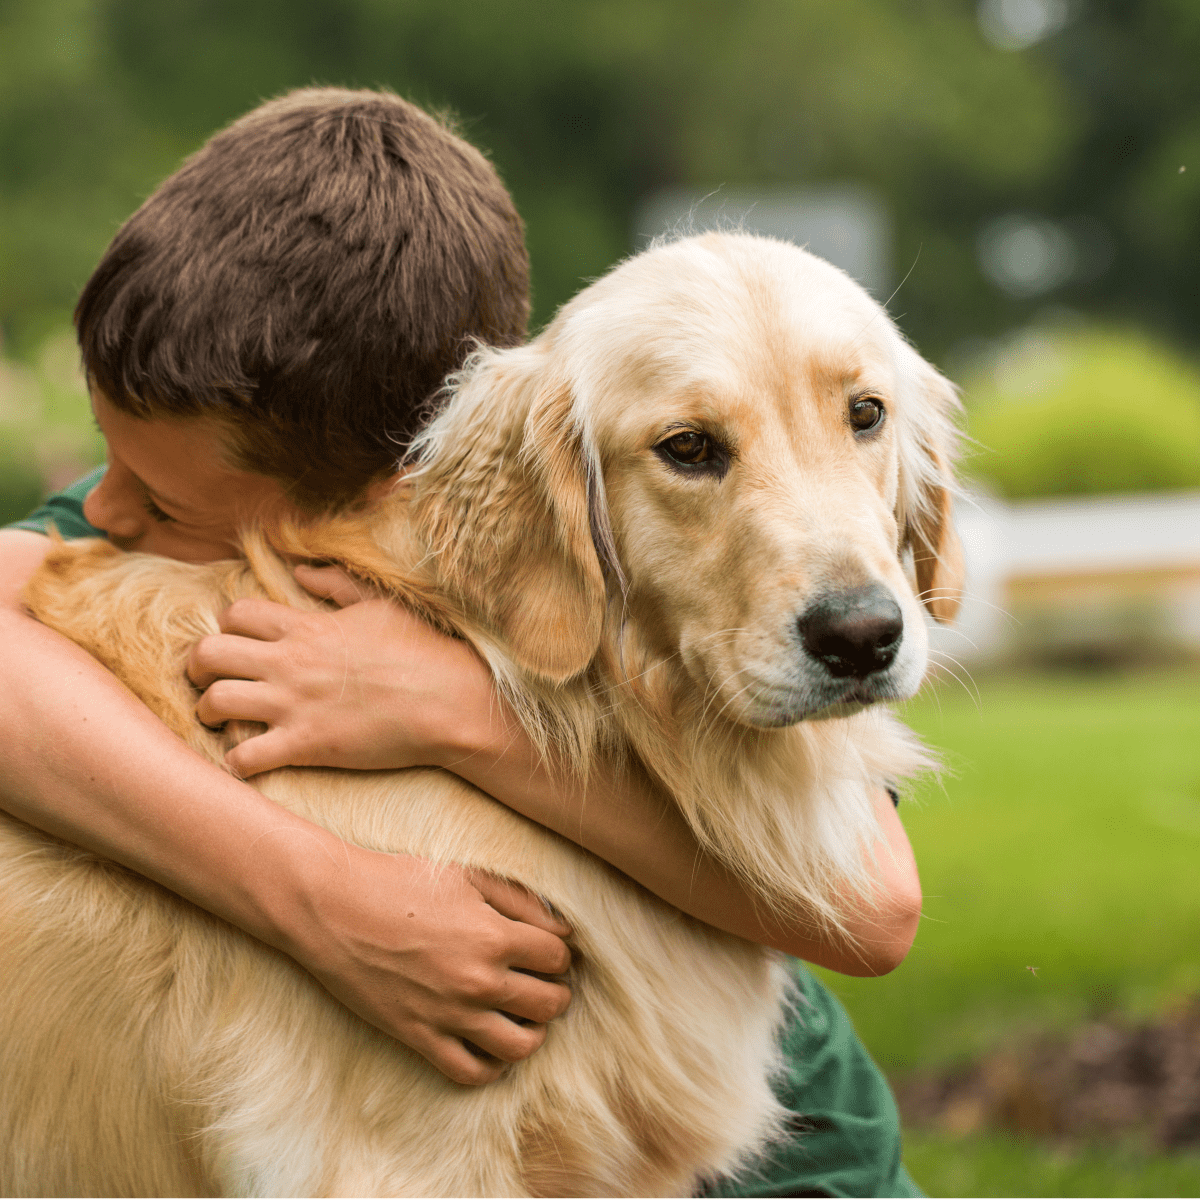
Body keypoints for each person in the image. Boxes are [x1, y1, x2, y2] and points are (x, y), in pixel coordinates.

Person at [1, 86, 922, 1196]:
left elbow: (874, 908)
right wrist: (323, 896)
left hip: (808, 1153)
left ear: (381, 494)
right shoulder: (208, 487)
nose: (105, 513)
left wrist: (460, 716)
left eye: (152, 494)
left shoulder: (464, 507)